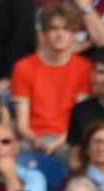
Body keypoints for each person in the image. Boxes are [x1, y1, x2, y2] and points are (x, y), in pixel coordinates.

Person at [11, 3, 92, 155]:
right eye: (54, 29)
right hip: (32, 139)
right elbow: (22, 123)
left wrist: (57, 143)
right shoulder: (23, 67)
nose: (60, 34)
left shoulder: (85, 68)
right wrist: (35, 140)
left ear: (74, 33)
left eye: (66, 29)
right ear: (43, 33)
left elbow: (81, 116)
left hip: (67, 139)